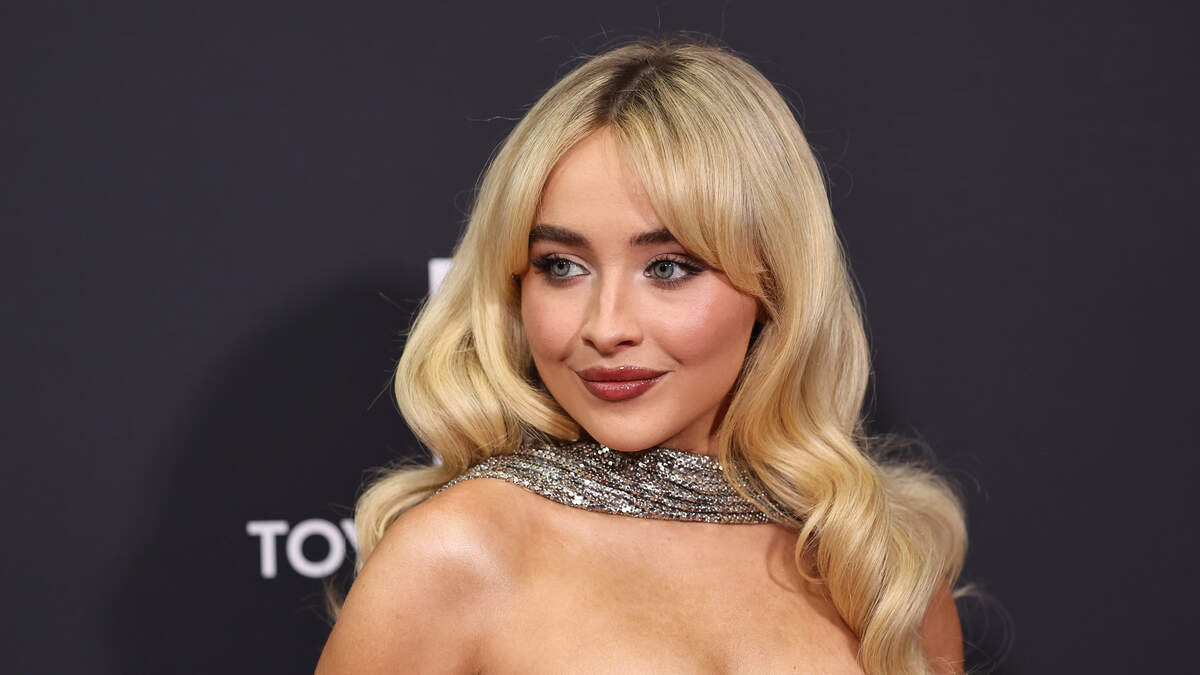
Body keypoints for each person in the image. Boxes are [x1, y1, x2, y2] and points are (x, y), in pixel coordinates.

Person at [316, 36, 969, 675]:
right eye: (562, 266)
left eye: (668, 266)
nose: (606, 328)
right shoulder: (456, 555)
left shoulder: (880, 574)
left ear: (774, 283)